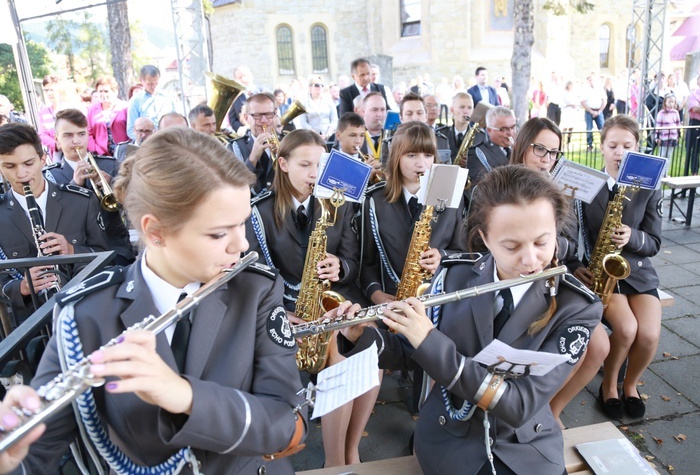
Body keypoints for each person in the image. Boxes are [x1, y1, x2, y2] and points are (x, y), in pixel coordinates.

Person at [0, 127, 307, 474]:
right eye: (219, 233)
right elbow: (37, 454)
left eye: (242, 224)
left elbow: (287, 424)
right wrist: (13, 456)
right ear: (155, 231)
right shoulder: (86, 315)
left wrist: (185, 396)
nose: (242, 246)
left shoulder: (255, 291)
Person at [336, 164, 601, 474]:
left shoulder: (577, 305)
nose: (530, 260)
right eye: (512, 246)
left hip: (525, 447)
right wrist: (362, 334)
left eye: (542, 242)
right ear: (485, 238)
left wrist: (429, 340)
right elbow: (414, 353)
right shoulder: (455, 277)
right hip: (448, 436)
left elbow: (519, 405)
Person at [244, 129, 368, 468]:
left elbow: (354, 265)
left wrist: (339, 266)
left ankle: (348, 450)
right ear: (282, 164)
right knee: (338, 361)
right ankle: (335, 459)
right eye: (305, 165)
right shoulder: (259, 213)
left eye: (320, 165)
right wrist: (281, 313)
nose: (315, 174)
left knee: (368, 352)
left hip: (329, 305)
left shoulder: (336, 206)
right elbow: (251, 279)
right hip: (282, 313)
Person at [509, 119, 611, 428]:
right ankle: (525, 408)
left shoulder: (560, 191)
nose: (546, 158)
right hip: (513, 280)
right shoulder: (499, 184)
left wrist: (550, 246)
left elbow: (570, 242)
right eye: (539, 148)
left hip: (551, 277)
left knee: (599, 347)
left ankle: (553, 409)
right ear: (523, 145)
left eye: (553, 152)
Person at [569, 115, 662, 421]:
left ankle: (631, 385)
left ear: (637, 148)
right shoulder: (586, 185)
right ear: (602, 147)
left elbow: (655, 242)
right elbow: (571, 233)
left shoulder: (649, 187)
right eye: (613, 145)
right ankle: (609, 386)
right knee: (626, 328)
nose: (619, 152)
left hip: (636, 269)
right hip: (602, 273)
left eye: (627, 145)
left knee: (648, 335)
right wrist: (575, 264)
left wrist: (631, 236)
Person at [0, 122, 109, 324]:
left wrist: (72, 250)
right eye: (10, 166)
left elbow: (106, 258)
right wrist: (22, 287)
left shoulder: (81, 201)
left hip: (84, 315)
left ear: (43, 160)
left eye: (28, 163)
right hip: (30, 327)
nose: (21, 174)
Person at [360, 121, 466, 306]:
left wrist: (442, 256)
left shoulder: (452, 196)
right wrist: (375, 293)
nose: (421, 164)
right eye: (411, 155)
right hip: (389, 301)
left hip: (438, 300)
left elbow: (463, 252)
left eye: (428, 155)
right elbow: (366, 262)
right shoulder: (373, 200)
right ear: (396, 158)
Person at [44, 109, 135, 266]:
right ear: (57, 140)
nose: (76, 141)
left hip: (117, 251)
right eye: (68, 135)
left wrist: (113, 183)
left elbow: (133, 205)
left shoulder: (110, 164)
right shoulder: (50, 176)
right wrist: (74, 186)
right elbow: (54, 220)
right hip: (77, 256)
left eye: (81, 134)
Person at [228, 92, 281, 195]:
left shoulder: (287, 142)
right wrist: (252, 159)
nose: (264, 120)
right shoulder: (234, 147)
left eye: (269, 114)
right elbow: (233, 186)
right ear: (246, 117)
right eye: (257, 115)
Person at [126, 65, 178, 140]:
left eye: (156, 83)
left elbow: (176, 122)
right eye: (149, 84)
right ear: (141, 81)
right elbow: (131, 130)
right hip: (146, 144)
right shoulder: (135, 100)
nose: (153, 86)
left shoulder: (168, 98)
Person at [466, 105, 515, 185]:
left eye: (513, 127)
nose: (510, 133)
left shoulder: (517, 149)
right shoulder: (477, 153)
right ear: (489, 130)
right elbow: (484, 184)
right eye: (504, 129)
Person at [87, 75, 129, 156]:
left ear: (115, 92)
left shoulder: (125, 107)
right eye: (100, 91)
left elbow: (131, 130)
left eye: (106, 91)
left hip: (123, 153)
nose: (103, 94)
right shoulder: (91, 110)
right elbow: (88, 133)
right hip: (101, 154)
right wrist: (96, 149)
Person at [38, 75, 61, 160]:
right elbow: (42, 134)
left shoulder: (71, 109)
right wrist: (55, 145)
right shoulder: (43, 112)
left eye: (52, 89)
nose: (49, 93)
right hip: (56, 155)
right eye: (46, 90)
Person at [581, 75, 606, 151]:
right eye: (589, 80)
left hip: (599, 111)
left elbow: (604, 100)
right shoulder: (585, 90)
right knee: (589, 128)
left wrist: (599, 111)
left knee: (602, 128)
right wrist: (591, 111)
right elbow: (583, 102)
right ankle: (590, 145)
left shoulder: (600, 89)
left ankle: (604, 145)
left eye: (592, 80)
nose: (591, 82)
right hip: (589, 111)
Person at [654, 93, 680, 164]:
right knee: (662, 155)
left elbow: (678, 125)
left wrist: (678, 136)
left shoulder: (676, 112)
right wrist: (657, 137)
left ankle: (666, 173)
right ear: (665, 102)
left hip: (673, 137)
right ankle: (660, 172)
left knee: (669, 155)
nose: (671, 104)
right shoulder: (661, 113)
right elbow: (658, 126)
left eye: (673, 102)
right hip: (664, 137)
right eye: (669, 102)